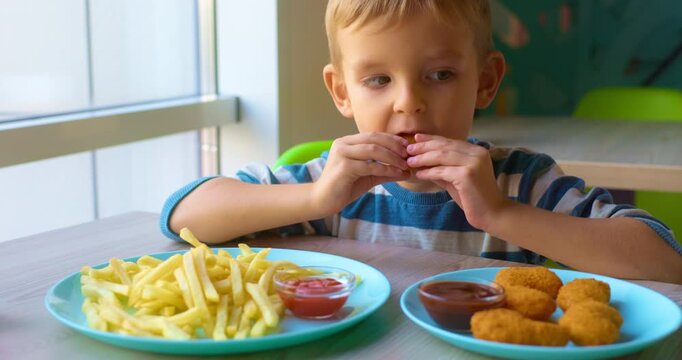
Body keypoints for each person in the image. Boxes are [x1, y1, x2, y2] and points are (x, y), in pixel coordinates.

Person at [161, 0, 682, 283]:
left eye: (439, 75)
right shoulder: (331, 184)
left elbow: (665, 262)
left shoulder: (521, 181)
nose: (408, 103)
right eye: (378, 80)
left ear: (485, 80)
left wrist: (500, 214)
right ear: (342, 92)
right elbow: (182, 213)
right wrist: (317, 198)